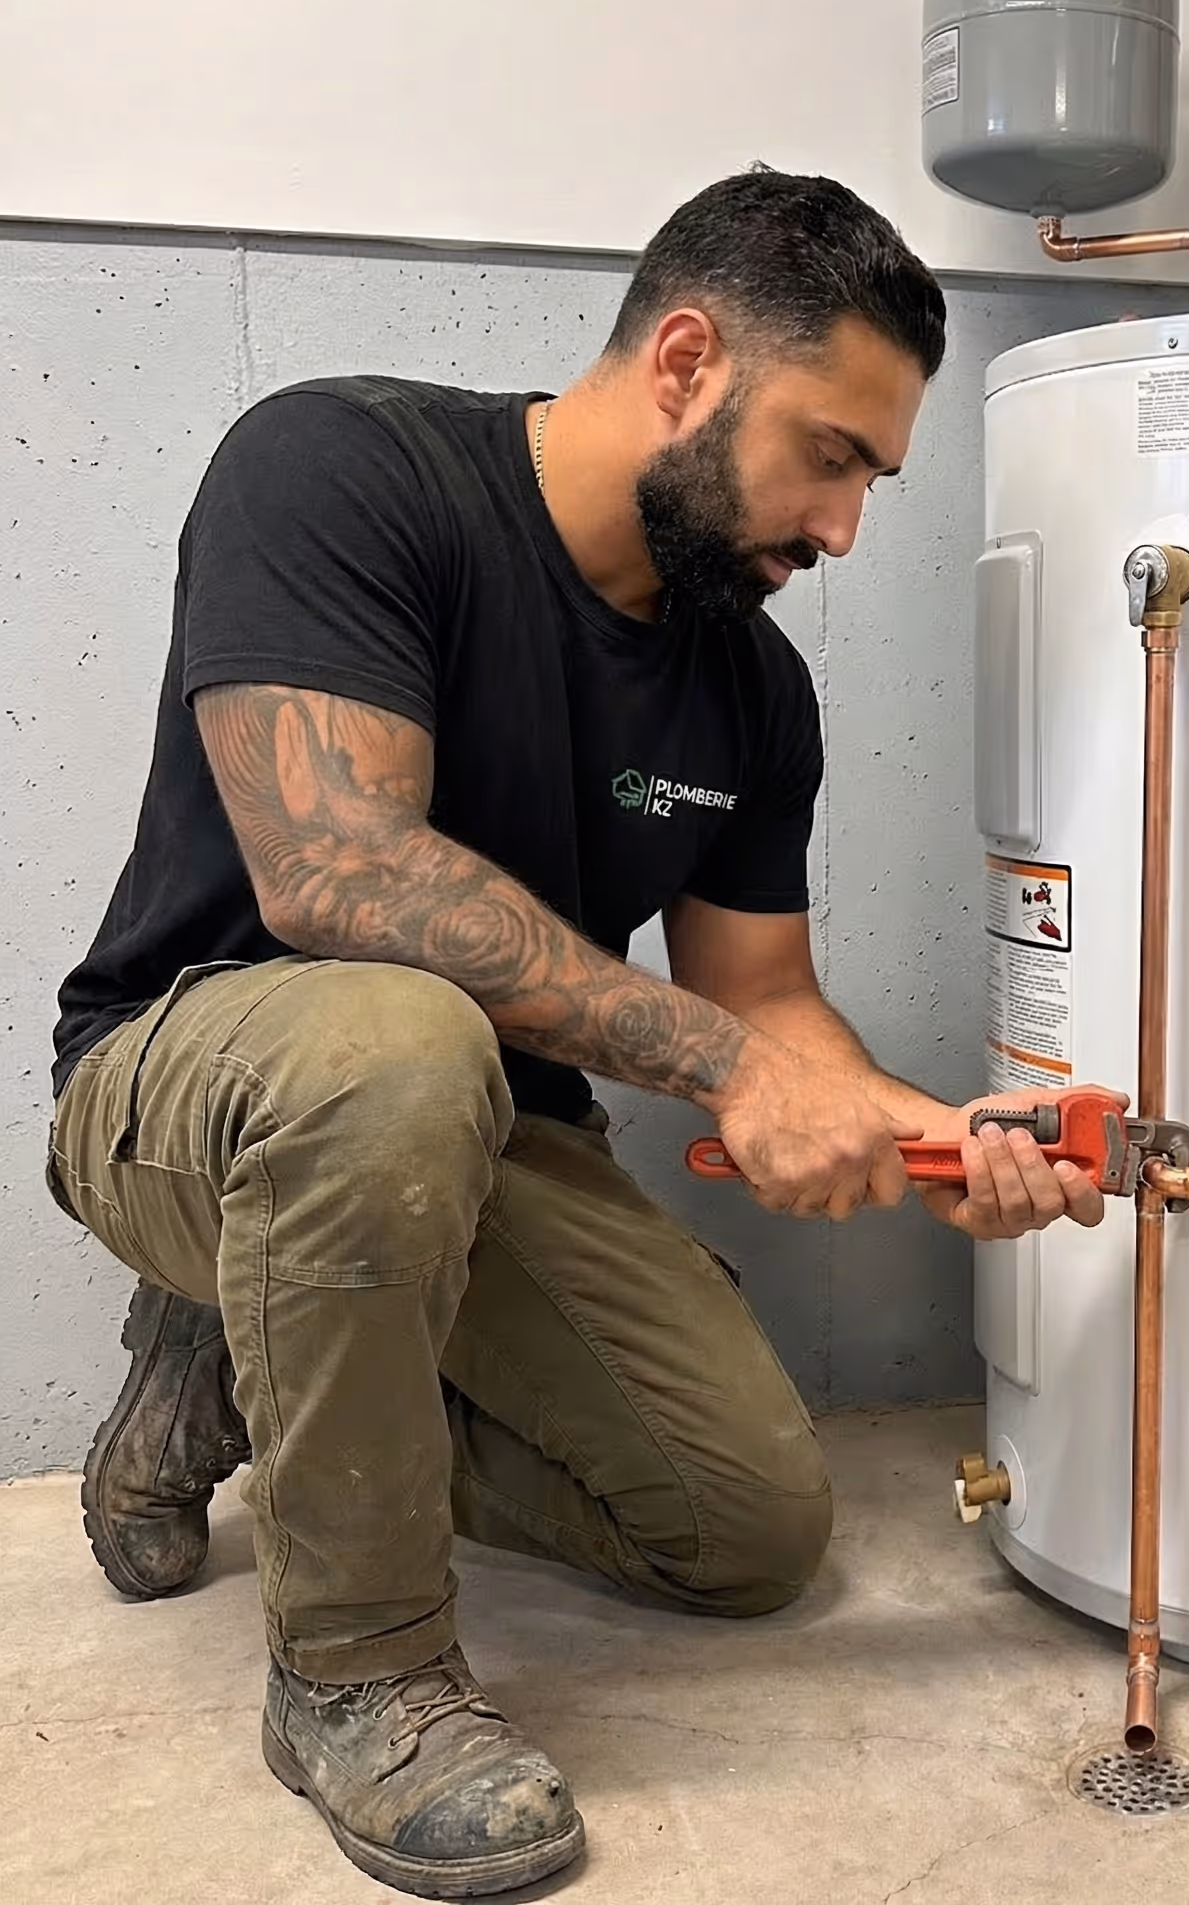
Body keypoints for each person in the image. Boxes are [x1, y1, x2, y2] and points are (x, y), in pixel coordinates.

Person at [43, 168, 1112, 1899]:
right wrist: (720, 1070)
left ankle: (237, 1359)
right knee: (394, 1044)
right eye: (831, 456)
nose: (846, 530)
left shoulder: (752, 689)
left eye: (872, 482)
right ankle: (359, 1675)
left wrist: (945, 1142)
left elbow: (768, 1006)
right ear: (687, 360)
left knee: (748, 1525)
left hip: (481, 1144)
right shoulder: (341, 468)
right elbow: (335, 871)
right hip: (194, 1083)